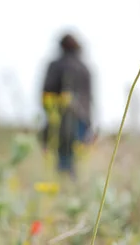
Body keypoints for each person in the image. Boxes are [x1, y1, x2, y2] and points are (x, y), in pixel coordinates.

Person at [40, 33, 93, 178]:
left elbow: (46, 94)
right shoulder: (84, 69)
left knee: (62, 159)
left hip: (60, 120)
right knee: (75, 160)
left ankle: (63, 190)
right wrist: (89, 123)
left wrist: (49, 118)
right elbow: (90, 100)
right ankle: (70, 190)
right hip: (82, 120)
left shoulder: (55, 66)